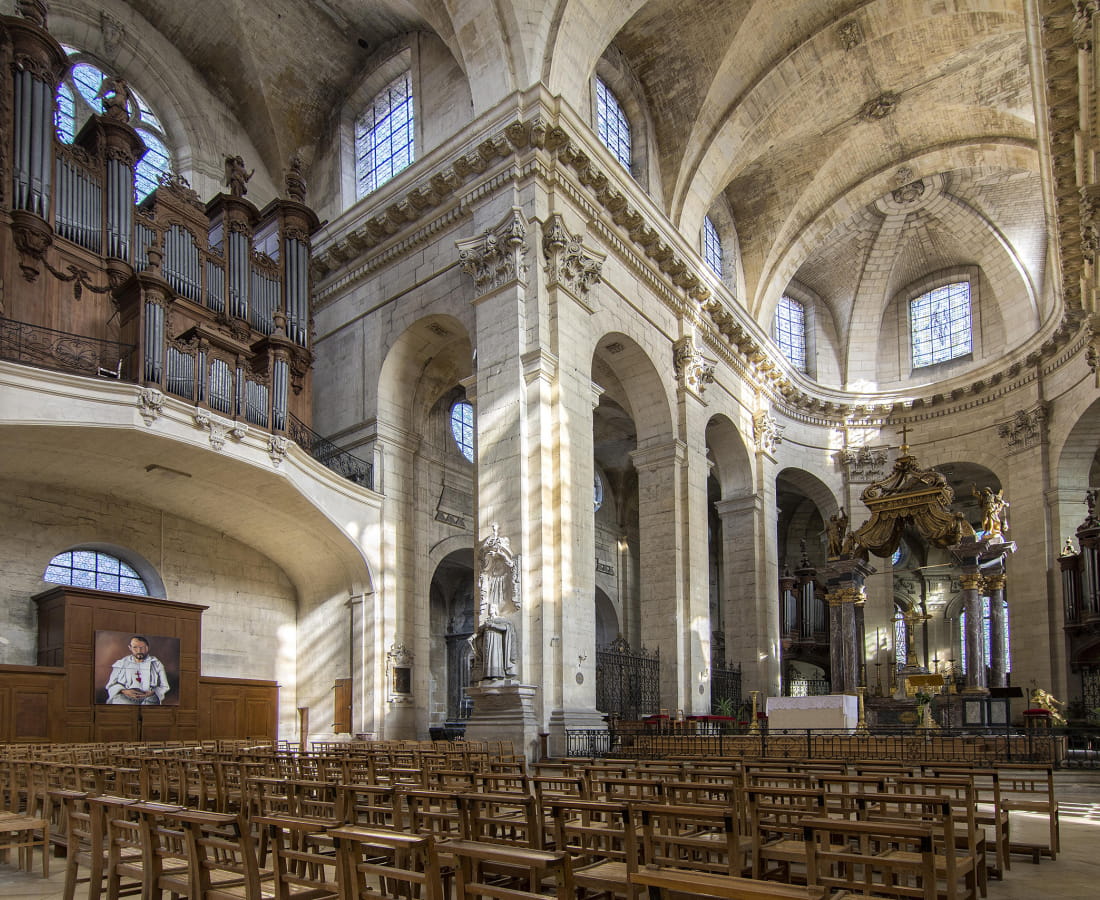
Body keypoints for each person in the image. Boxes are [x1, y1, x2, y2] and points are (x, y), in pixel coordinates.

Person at [105, 635, 169, 704]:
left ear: (147, 648)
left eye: (142, 647)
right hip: (126, 697)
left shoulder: (156, 664)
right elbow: (111, 685)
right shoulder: (121, 663)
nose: (139, 651)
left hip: (149, 698)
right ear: (130, 648)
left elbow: (164, 686)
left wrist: (152, 692)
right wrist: (124, 691)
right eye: (135, 647)